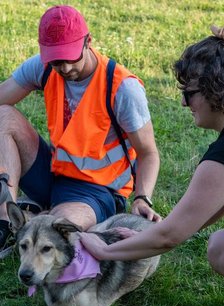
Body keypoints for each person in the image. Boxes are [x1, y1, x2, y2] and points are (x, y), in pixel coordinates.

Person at [79, 24, 224, 303]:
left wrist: (104, 250)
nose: (182, 103)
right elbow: (207, 207)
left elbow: (170, 236)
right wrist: (149, 233)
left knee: (223, 247)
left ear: (215, 90)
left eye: (188, 94)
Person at [0, 5, 161, 258]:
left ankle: (36, 215)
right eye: (55, 60)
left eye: (69, 57)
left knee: (56, 231)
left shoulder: (123, 88)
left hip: (98, 191)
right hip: (54, 173)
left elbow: (148, 153)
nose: (64, 68)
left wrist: (142, 197)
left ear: (88, 42)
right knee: (4, 116)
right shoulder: (44, 68)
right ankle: (6, 221)